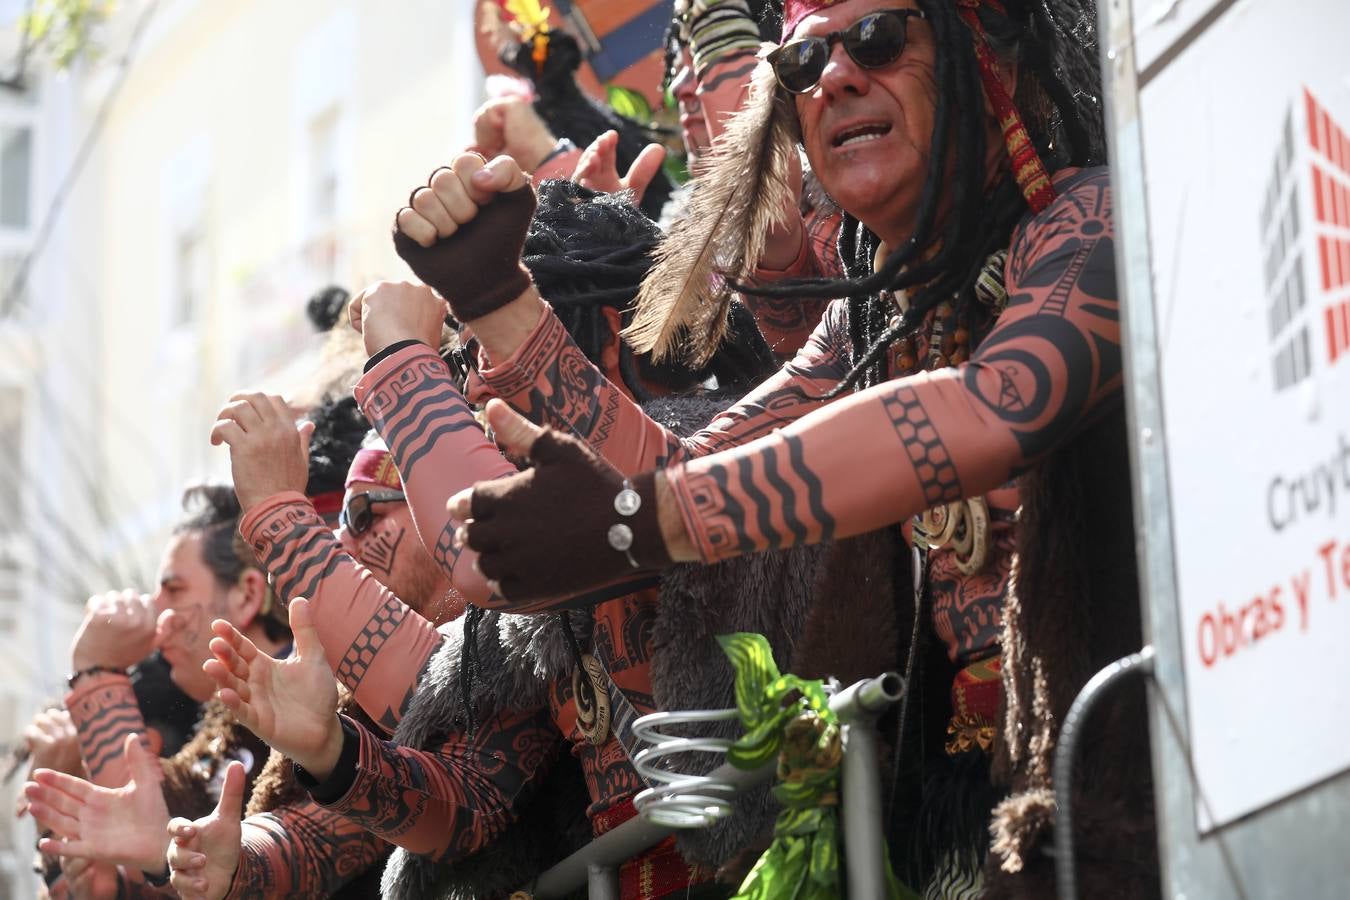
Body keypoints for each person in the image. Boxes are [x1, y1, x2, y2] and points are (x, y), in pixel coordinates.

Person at [390, 0, 1152, 895]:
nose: (834, 77)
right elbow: (679, 482)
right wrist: (498, 303)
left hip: (1144, 802)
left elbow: (992, 412)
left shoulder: (1087, 219)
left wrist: (637, 519)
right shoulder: (863, 321)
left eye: (877, 39)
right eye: (800, 63)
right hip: (957, 839)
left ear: (993, 59)